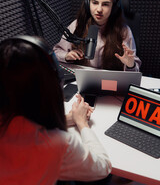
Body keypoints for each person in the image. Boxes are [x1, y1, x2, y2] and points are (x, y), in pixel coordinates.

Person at [0, 35, 112, 185]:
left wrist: (68, 119)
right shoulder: (58, 144)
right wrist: (82, 123)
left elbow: (21, 126)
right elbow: (102, 167)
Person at [53, 0, 141, 71]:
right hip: (83, 78)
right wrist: (67, 56)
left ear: (113, 7)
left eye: (105, 4)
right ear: (88, 4)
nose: (99, 9)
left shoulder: (124, 30)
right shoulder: (77, 25)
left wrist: (130, 65)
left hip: (110, 80)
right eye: (95, 2)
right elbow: (56, 52)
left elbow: (134, 71)